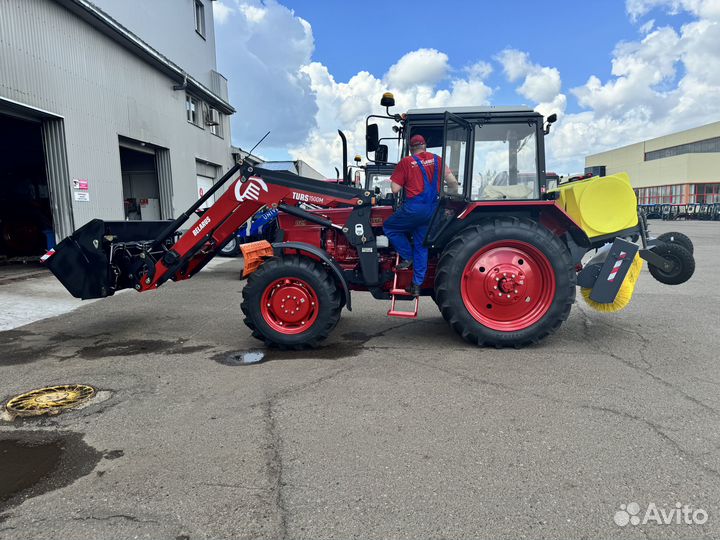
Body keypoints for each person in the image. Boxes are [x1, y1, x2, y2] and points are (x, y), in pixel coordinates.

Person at [383, 134, 459, 296]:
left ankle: (407, 256)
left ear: (411, 149)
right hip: (433, 211)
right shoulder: (438, 160)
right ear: (425, 146)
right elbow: (453, 183)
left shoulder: (406, 162)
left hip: (414, 209)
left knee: (390, 227)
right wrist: (449, 199)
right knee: (421, 245)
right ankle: (416, 285)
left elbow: (395, 189)